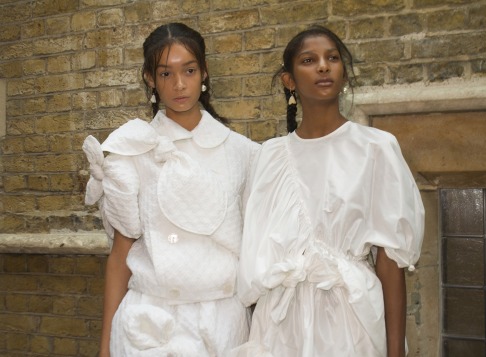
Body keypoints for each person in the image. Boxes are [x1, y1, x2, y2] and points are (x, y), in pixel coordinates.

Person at [232, 25, 425, 357]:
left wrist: (396, 352)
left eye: (332, 58)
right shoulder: (269, 157)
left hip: (352, 321)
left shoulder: (376, 149)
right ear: (289, 80)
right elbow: (255, 256)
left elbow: (390, 262)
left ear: (344, 73)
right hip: (280, 325)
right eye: (309, 60)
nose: (323, 66)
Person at [82, 22, 259, 356]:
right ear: (150, 79)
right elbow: (121, 255)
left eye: (189, 70)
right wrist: (104, 347)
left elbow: (254, 250)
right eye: (166, 74)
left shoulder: (243, 153)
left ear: (204, 73)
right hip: (149, 323)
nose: (179, 84)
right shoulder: (132, 150)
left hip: (223, 322)